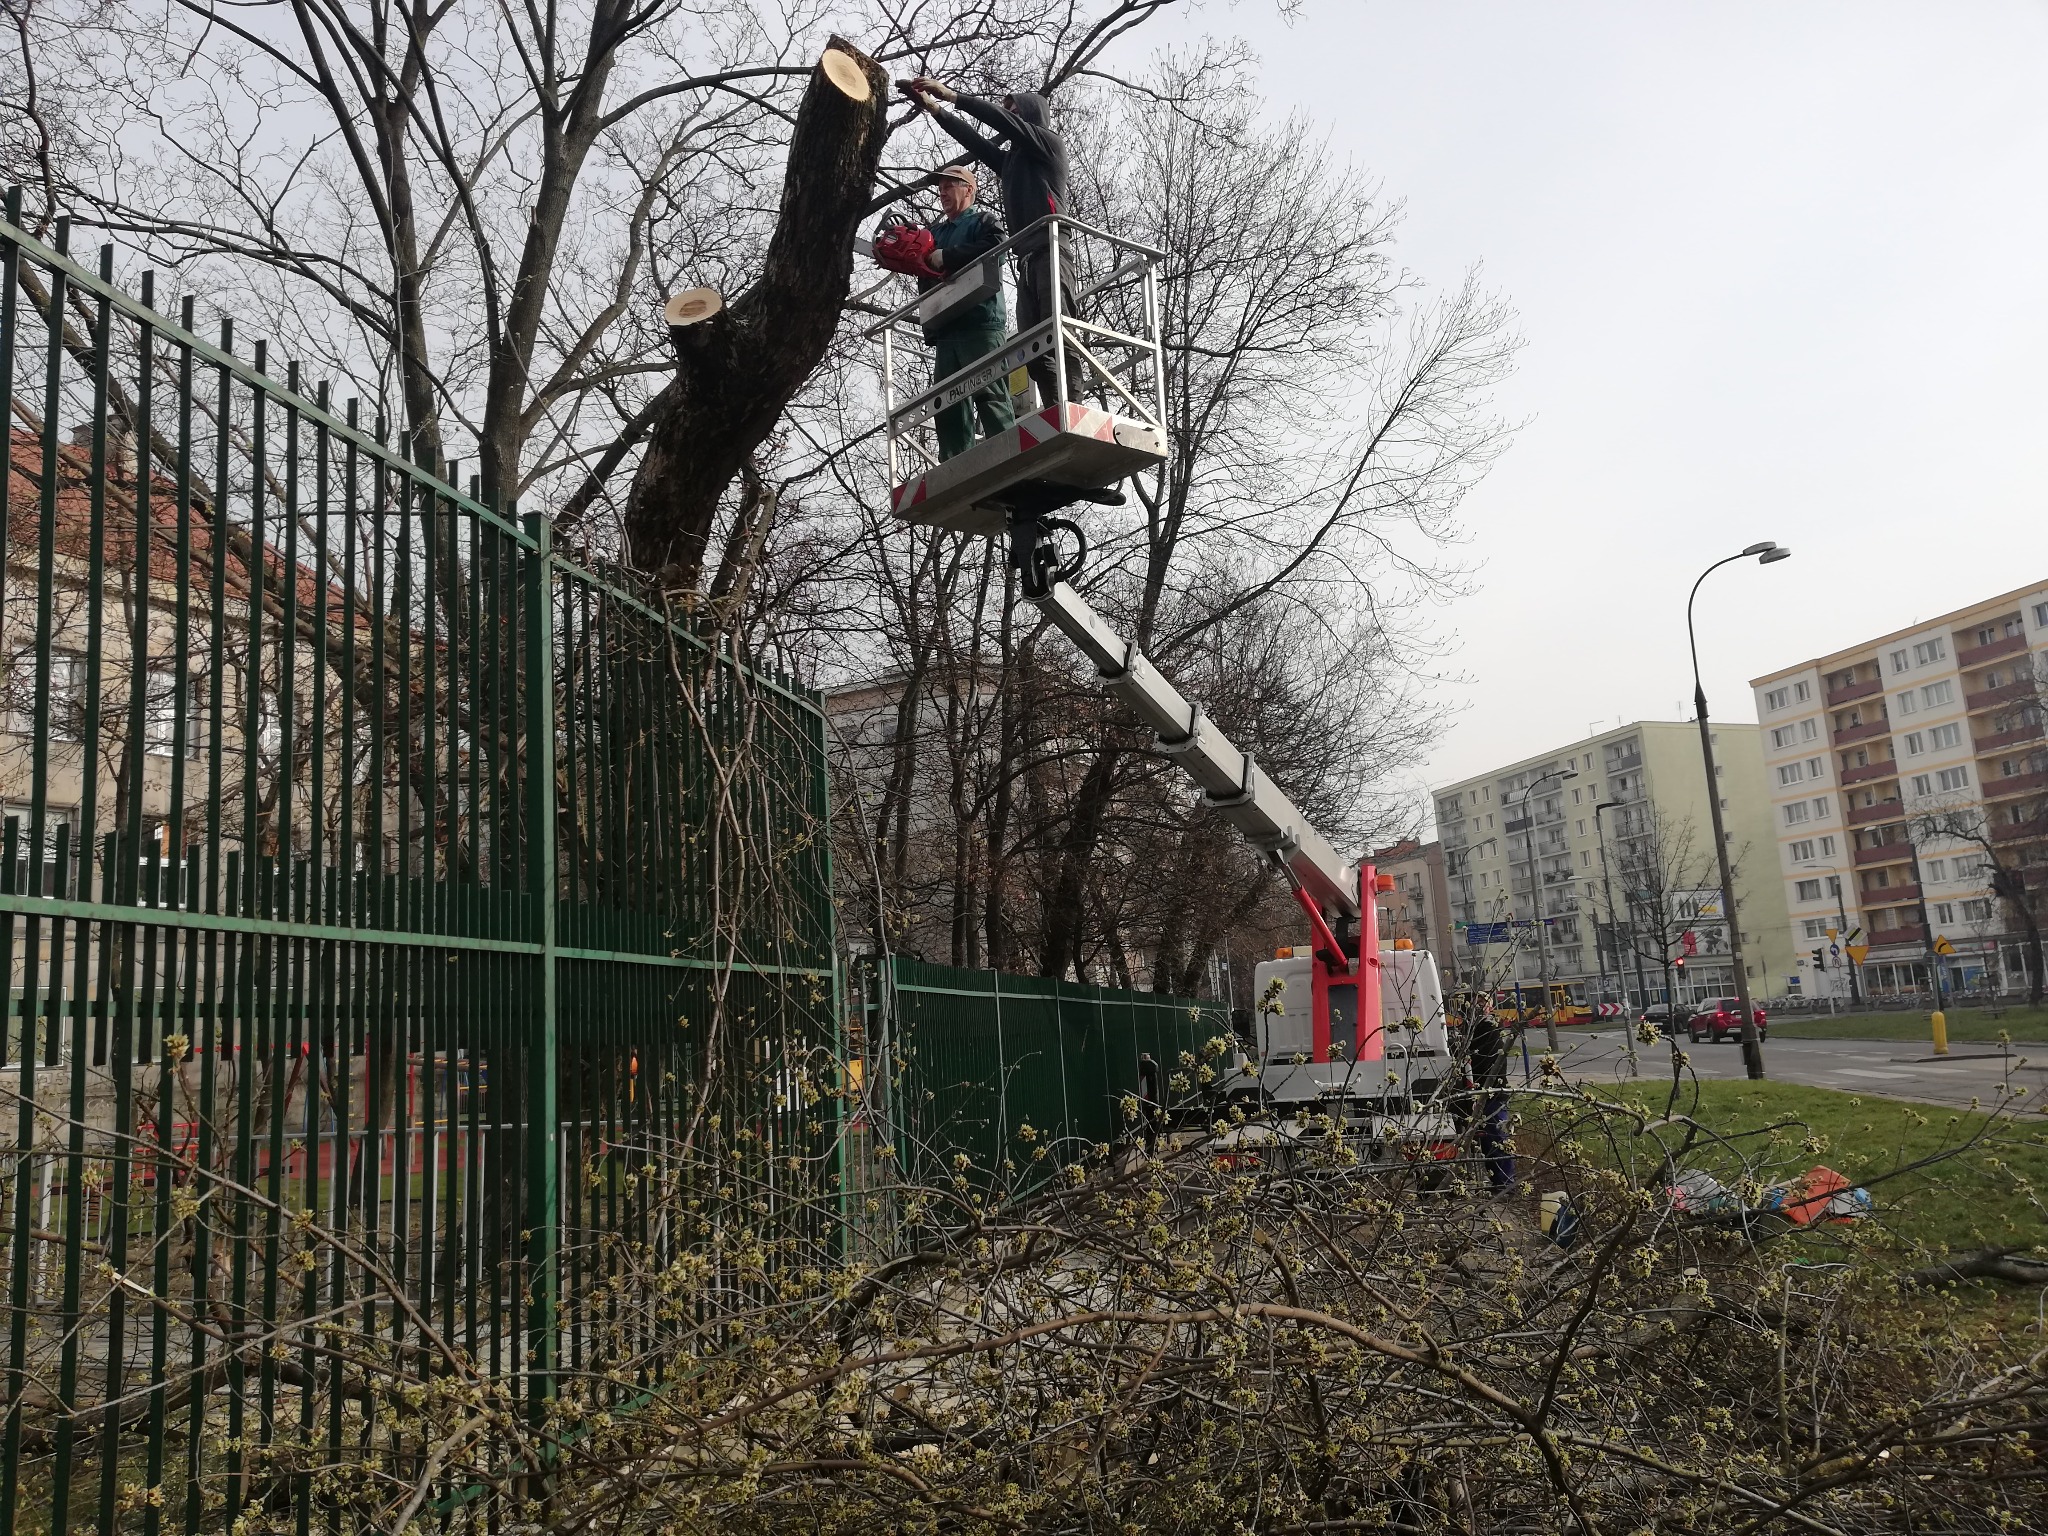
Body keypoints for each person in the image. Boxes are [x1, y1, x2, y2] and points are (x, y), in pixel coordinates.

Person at [899, 77, 1083, 408]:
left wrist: (954, 95)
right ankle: (1057, 407)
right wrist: (937, 110)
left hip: (1052, 249)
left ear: (1032, 116)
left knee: (1060, 331)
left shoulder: (1049, 145)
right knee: (1034, 344)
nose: (1008, 115)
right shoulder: (1012, 162)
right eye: (1007, 111)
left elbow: (1002, 123)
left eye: (1015, 112)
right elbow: (975, 141)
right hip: (1026, 258)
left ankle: (1075, 406)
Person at [916, 165, 1014, 460]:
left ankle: (1010, 456)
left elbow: (999, 245)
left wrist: (948, 256)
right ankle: (956, 463)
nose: (942, 193)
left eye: (949, 186)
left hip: (980, 322)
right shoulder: (934, 232)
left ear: (969, 189)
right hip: (947, 327)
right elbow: (918, 263)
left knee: (991, 394)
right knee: (946, 404)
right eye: (940, 188)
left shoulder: (983, 221)